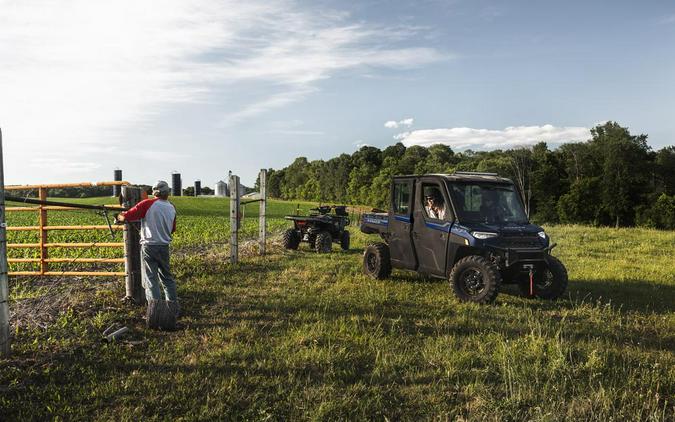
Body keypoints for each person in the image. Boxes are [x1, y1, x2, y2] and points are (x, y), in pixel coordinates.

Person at [117, 181, 179, 312]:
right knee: (167, 278)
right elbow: (172, 228)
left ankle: (156, 311)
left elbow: (127, 215)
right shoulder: (172, 207)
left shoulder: (147, 204)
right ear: (167, 192)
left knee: (151, 279)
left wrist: (118, 216)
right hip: (164, 246)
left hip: (149, 246)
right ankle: (173, 309)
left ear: (155, 192)